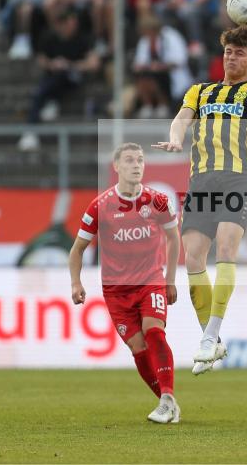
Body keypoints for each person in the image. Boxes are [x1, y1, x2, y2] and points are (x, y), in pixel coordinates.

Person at [153, 25, 247, 374]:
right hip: (201, 181)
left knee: (225, 249)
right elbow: (181, 120)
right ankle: (213, 339)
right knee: (193, 257)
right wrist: (176, 139)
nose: (231, 57)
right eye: (227, 52)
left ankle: (210, 336)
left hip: (237, 180)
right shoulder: (200, 91)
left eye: (239, 53)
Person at [69, 143, 181, 424]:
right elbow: (77, 249)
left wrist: (169, 280)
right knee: (138, 348)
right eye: (129, 160)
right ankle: (167, 402)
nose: (136, 165)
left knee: (154, 331)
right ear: (116, 166)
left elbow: (173, 237)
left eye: (140, 160)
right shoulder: (100, 206)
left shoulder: (157, 201)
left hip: (150, 281)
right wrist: (75, 283)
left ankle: (167, 399)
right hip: (116, 290)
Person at [19, 8, 100, 151]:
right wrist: (52, 64)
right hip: (54, 77)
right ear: (61, 25)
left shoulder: (83, 38)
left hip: (74, 77)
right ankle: (46, 109)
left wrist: (70, 65)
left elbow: (93, 63)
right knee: (43, 89)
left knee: (59, 77)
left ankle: (51, 102)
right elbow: (41, 59)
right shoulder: (50, 38)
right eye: (69, 24)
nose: (73, 27)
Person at [131, 13, 191, 119]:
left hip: (171, 76)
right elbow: (139, 61)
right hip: (151, 73)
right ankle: (148, 105)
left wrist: (161, 66)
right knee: (143, 76)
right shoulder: (145, 40)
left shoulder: (172, 36)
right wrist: (144, 66)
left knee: (155, 76)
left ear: (153, 29)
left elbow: (180, 59)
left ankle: (163, 104)